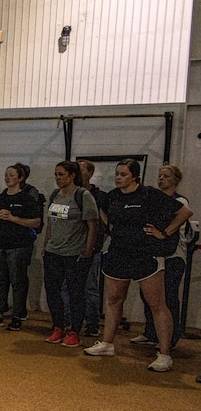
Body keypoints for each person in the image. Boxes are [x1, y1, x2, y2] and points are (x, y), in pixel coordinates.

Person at [84, 158, 192, 371]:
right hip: (118, 253)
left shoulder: (149, 194)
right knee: (114, 299)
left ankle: (165, 354)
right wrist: (111, 230)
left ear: (134, 176)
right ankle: (107, 343)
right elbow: (102, 213)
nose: (118, 177)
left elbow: (184, 213)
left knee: (157, 304)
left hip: (145, 254)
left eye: (123, 174)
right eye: (117, 174)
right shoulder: (112, 197)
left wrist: (165, 233)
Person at [131, 165, 194, 350]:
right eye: (159, 176)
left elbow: (178, 222)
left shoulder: (180, 201)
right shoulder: (154, 200)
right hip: (154, 254)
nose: (161, 179)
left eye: (165, 176)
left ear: (175, 179)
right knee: (149, 295)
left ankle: (170, 337)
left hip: (174, 255)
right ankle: (151, 332)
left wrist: (163, 234)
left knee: (168, 296)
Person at [42, 161, 99, 347]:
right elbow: (51, 223)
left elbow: (92, 224)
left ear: (72, 176)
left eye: (61, 174)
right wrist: (45, 244)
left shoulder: (83, 195)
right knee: (53, 291)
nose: (58, 178)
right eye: (56, 174)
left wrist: (88, 250)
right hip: (53, 251)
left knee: (76, 293)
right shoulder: (54, 195)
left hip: (74, 253)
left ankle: (74, 330)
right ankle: (58, 326)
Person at [0, 163, 43, 330]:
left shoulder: (27, 199)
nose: (7, 177)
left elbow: (36, 221)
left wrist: (15, 219)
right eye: (6, 174)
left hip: (18, 245)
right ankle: (0, 313)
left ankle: (18, 315)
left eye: (11, 174)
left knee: (18, 281)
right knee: (0, 281)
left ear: (20, 178)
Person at [78, 159, 109, 336]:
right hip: (70, 249)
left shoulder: (100, 196)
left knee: (90, 287)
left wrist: (96, 244)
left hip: (92, 249)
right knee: (68, 287)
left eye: (82, 170)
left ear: (90, 173)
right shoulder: (68, 194)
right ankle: (70, 321)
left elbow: (105, 224)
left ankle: (92, 323)